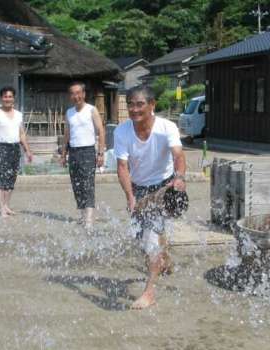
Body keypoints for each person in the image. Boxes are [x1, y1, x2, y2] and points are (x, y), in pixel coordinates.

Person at [114, 85, 187, 309]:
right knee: (142, 240)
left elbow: (178, 155)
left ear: (152, 105)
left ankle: (149, 292)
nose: (134, 110)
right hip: (139, 188)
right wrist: (130, 197)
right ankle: (163, 256)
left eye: (140, 104)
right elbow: (122, 167)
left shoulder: (167, 127)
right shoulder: (122, 131)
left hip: (164, 187)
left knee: (150, 239)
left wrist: (180, 177)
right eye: (131, 105)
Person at [60, 82, 106, 228]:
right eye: (73, 93)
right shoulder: (69, 112)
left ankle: (90, 218)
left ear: (84, 94)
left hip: (87, 151)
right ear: (70, 96)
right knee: (77, 184)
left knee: (88, 184)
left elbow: (101, 131)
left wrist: (100, 153)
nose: (76, 96)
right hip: (73, 151)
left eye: (78, 93)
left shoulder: (91, 110)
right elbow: (67, 134)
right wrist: (63, 153)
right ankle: (81, 215)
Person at [0, 86, 33, 218]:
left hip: (15, 148)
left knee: (11, 179)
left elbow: (22, 135)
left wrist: (27, 151)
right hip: (1, 148)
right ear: (1, 98)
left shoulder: (18, 114)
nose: (8, 99)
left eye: (10, 96)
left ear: (14, 98)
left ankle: (6, 205)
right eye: (5, 96)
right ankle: (1, 208)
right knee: (1, 179)